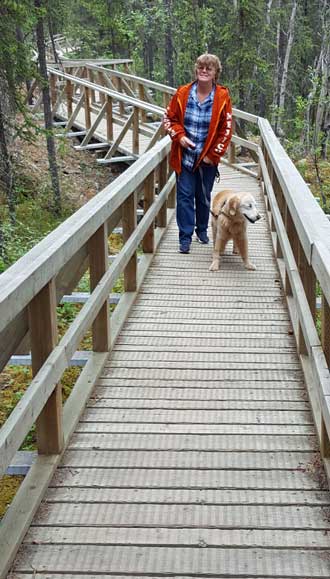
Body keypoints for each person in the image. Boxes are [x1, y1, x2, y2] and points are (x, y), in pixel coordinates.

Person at [163, 53, 233, 253]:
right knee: (184, 196)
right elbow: (169, 119)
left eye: (208, 69)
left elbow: (226, 130)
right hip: (184, 157)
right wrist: (179, 136)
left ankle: (201, 229)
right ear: (196, 70)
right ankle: (184, 238)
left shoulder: (222, 97)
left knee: (203, 197)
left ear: (215, 73)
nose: (204, 71)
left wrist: (214, 155)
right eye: (201, 67)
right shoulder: (183, 93)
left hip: (207, 160)